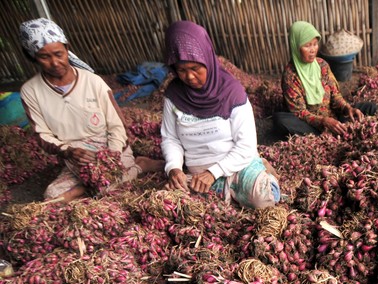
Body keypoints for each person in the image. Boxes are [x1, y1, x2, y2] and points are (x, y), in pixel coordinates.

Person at [19, 18, 162, 203]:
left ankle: (138, 165)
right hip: (75, 156)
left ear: (67, 48)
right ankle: (90, 187)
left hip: (109, 148)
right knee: (52, 195)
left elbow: (117, 125)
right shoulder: (31, 91)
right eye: (44, 57)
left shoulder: (92, 81)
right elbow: (42, 135)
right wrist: (69, 151)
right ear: (33, 57)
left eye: (58, 54)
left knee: (106, 184)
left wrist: (110, 157)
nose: (54, 62)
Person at [161, 21, 280, 209]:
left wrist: (214, 172)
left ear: (207, 60)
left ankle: (260, 166)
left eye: (195, 68)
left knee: (264, 199)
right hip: (198, 176)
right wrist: (174, 167)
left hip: (237, 166)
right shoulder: (174, 96)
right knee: (172, 205)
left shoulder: (231, 92)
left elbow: (246, 145)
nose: (190, 77)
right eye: (182, 70)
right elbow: (171, 138)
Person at [274, 21, 377, 136]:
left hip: (334, 117)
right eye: (307, 45)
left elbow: (335, 95)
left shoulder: (322, 65)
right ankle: (325, 132)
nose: (313, 49)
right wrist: (323, 121)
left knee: (369, 107)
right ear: (296, 46)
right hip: (311, 125)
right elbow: (299, 112)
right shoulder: (290, 75)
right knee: (280, 120)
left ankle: (338, 127)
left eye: (315, 44)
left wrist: (347, 108)